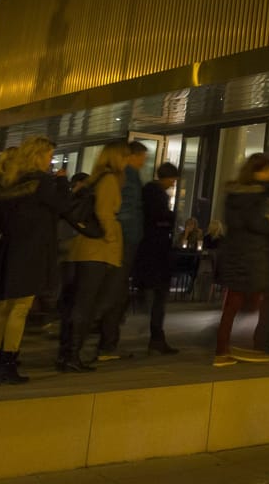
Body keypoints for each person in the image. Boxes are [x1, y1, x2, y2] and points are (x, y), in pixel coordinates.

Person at [0, 136, 69, 384]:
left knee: (1, 307)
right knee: (19, 309)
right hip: (32, 250)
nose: (51, 161)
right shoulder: (42, 183)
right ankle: (8, 364)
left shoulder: (8, 182)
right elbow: (62, 206)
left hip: (9, 247)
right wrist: (62, 182)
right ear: (39, 156)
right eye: (49, 156)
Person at [62, 142, 129, 373]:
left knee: (80, 302)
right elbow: (103, 211)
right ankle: (72, 354)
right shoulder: (109, 179)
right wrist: (111, 238)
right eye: (125, 157)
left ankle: (67, 353)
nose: (127, 162)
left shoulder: (95, 178)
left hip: (84, 248)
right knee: (88, 303)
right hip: (97, 250)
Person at [214, 153, 269, 366]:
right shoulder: (259, 195)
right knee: (259, 300)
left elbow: (233, 222)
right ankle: (249, 344)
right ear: (258, 172)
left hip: (234, 252)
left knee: (233, 303)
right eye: (268, 170)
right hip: (252, 255)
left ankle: (222, 349)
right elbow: (257, 223)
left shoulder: (233, 194)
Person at [94, 141, 147, 361]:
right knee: (114, 292)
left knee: (113, 291)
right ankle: (106, 342)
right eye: (141, 156)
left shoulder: (113, 177)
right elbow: (121, 209)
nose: (143, 161)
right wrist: (120, 236)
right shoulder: (125, 177)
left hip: (123, 239)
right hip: (124, 240)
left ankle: (105, 340)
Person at [133, 162, 180, 354]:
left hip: (149, 249)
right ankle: (157, 336)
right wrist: (170, 218)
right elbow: (161, 218)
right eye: (173, 180)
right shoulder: (156, 194)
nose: (173, 184)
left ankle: (156, 336)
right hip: (157, 251)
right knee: (159, 296)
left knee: (156, 295)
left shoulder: (147, 193)